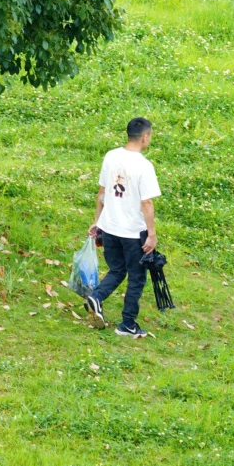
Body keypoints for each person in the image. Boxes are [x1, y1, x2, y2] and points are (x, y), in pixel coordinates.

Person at [84, 117, 160, 339]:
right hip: (132, 232)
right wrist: (152, 234)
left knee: (117, 270)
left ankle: (96, 298)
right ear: (145, 137)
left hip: (109, 227)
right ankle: (127, 324)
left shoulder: (111, 156)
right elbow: (146, 203)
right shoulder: (144, 166)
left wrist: (97, 221)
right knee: (136, 277)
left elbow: (102, 191)